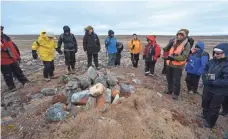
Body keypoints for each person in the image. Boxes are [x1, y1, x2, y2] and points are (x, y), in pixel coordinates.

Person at [201, 43, 228, 128]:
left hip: (219, 91)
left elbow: (226, 81)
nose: (216, 54)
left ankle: (210, 123)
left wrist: (212, 82)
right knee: (205, 102)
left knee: (214, 107)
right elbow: (205, 71)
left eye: (219, 53)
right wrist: (205, 78)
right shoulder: (211, 61)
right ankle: (205, 115)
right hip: (207, 87)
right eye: (215, 52)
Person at [163, 29, 191, 100]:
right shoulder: (173, 42)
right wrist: (169, 44)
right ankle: (170, 90)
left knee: (176, 80)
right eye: (179, 34)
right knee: (169, 78)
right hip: (170, 63)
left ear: (185, 36)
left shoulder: (187, 44)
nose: (180, 36)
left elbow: (184, 56)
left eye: (182, 35)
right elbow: (165, 49)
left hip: (178, 66)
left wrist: (174, 58)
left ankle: (176, 94)